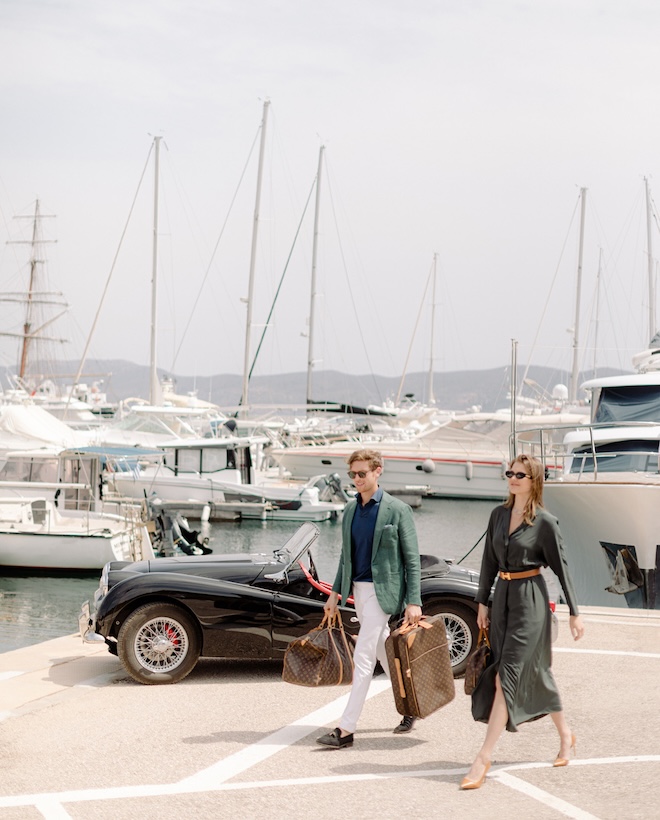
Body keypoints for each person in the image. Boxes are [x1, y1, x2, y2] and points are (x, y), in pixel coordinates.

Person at [461, 453, 585, 789]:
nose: (513, 478)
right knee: (539, 674)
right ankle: (565, 735)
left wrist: (574, 611)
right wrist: (482, 602)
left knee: (506, 677)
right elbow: (488, 560)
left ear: (534, 481)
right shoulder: (497, 515)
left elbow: (562, 567)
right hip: (502, 598)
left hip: (531, 601)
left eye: (520, 474)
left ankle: (483, 757)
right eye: (510, 473)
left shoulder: (545, 522)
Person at [316, 448, 423, 749]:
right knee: (381, 650)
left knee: (362, 657)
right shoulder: (350, 510)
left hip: (383, 593)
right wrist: (334, 596)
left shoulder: (398, 510)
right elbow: (344, 559)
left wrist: (414, 601)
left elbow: (411, 560)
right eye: (352, 474)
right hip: (358, 593)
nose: (357, 479)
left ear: (378, 471)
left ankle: (346, 729)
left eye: (362, 473)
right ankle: (411, 705)